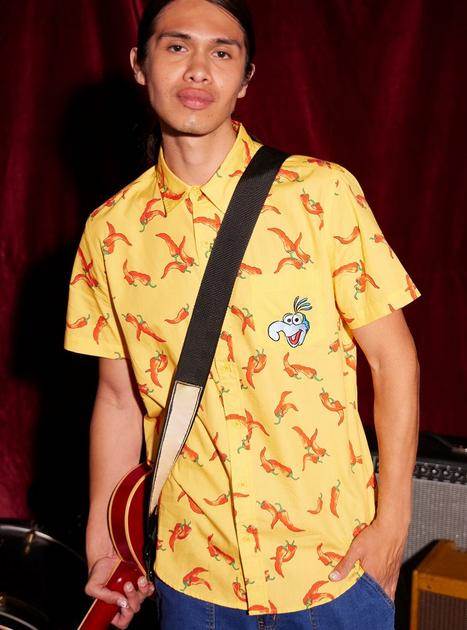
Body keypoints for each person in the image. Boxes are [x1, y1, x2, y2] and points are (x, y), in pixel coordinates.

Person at [63, 0, 421, 628]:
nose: (198, 69)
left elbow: (395, 362)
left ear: (247, 78)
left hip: (333, 569)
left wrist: (392, 525)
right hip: (195, 578)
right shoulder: (110, 232)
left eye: (222, 52)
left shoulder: (319, 193)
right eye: (177, 47)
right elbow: (118, 400)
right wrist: (108, 544)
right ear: (140, 65)